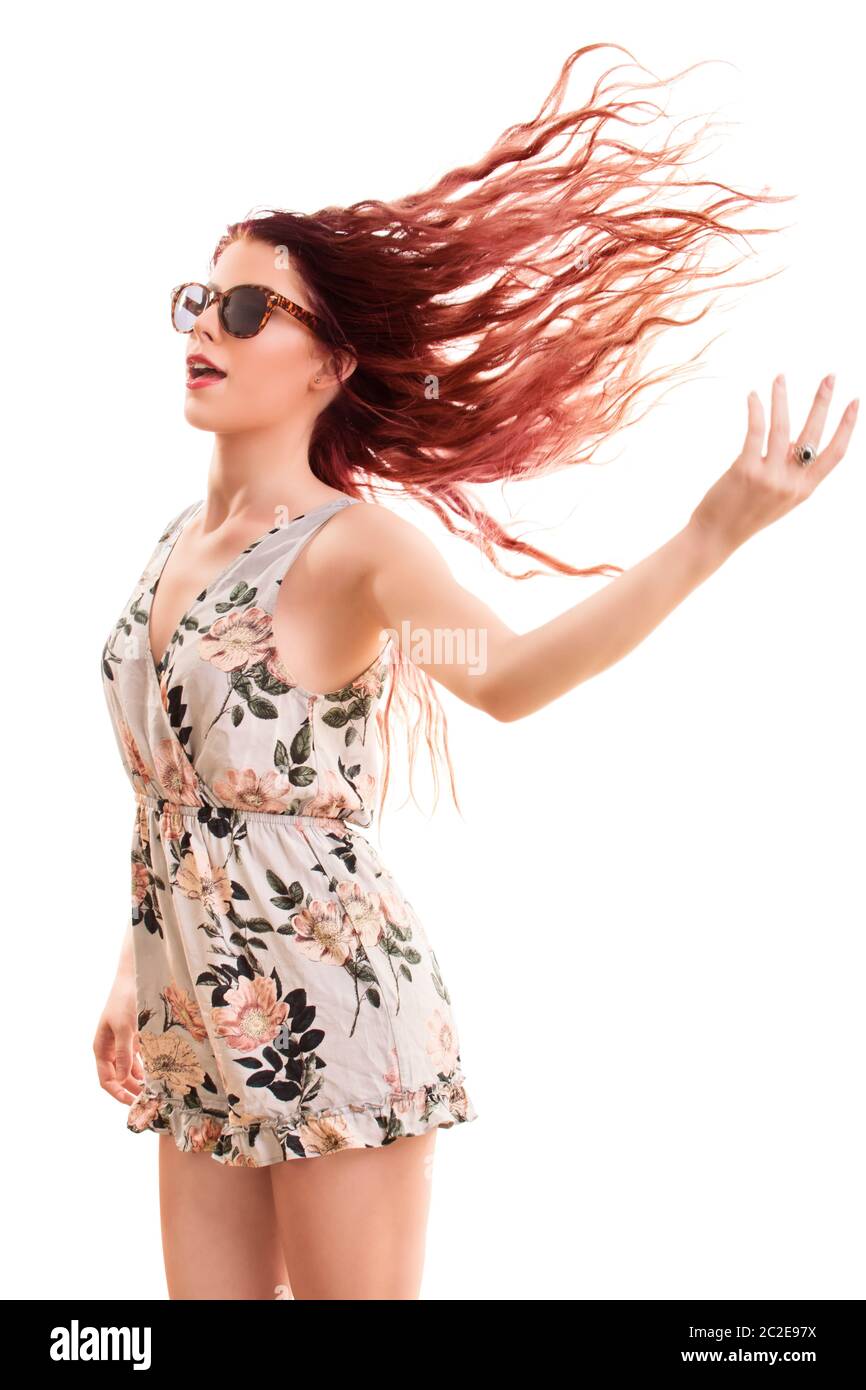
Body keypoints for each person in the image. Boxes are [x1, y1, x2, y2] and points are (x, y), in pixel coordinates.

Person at [93, 42, 858, 1300]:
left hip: (331, 1005)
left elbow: (501, 674)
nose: (206, 329)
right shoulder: (176, 543)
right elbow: (177, 803)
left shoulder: (352, 557)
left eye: (245, 309)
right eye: (199, 301)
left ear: (329, 365)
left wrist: (710, 533)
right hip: (197, 1015)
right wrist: (136, 967)